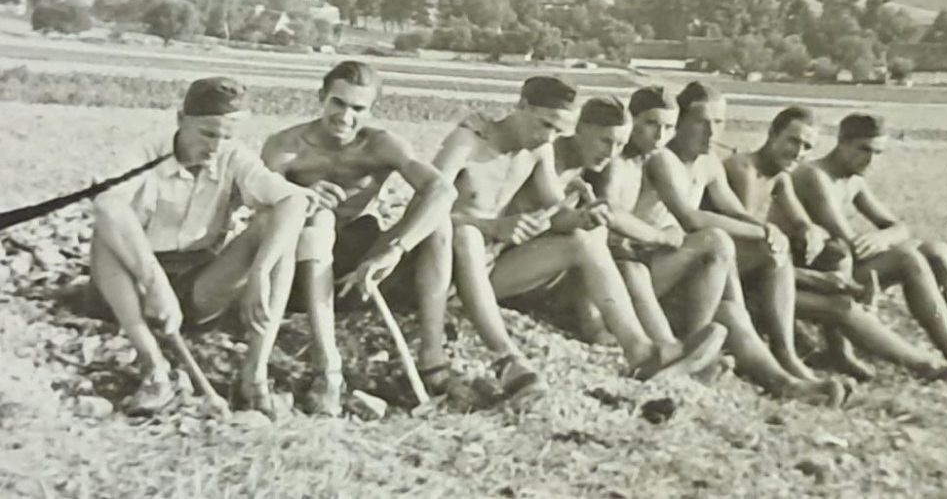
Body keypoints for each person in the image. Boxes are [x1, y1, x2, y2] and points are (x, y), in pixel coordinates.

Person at [433, 77, 726, 399]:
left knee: (586, 240)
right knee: (470, 235)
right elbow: (426, 212)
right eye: (544, 124)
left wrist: (582, 218)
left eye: (558, 130)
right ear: (522, 107)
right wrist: (492, 227)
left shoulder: (539, 151)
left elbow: (555, 212)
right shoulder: (473, 143)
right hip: (453, 266)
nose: (548, 136)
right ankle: (553, 342)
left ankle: (641, 351)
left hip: (496, 266)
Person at [90, 77, 310, 418]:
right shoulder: (144, 152)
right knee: (106, 226)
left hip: (200, 283)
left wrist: (260, 273)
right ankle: (155, 370)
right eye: (207, 133)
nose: (216, 147)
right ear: (181, 119)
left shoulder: (233, 156)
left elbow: (293, 200)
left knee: (278, 228)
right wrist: (154, 282)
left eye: (226, 136)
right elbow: (107, 205)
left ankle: (255, 374)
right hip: (135, 283)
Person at [724, 106, 947, 384]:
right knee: (896, 265)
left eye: (806, 146)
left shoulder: (788, 177)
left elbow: (879, 228)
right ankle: (945, 363)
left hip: (795, 273)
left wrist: (877, 237)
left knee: (936, 252)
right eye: (864, 150)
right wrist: (826, 276)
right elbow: (753, 252)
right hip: (766, 282)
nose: (799, 152)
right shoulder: (795, 174)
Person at [622, 85, 848, 404]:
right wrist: (761, 233)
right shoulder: (663, 158)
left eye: (720, 122)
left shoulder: (708, 162)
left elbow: (734, 211)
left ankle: (786, 377)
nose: (712, 131)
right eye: (702, 121)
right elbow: (691, 219)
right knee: (716, 240)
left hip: (671, 263)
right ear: (681, 120)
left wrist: (768, 231)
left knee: (735, 304)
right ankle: (696, 351)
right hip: (642, 266)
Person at [262, 61, 458, 416]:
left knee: (440, 225)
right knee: (319, 218)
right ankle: (328, 369)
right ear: (322, 97)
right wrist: (296, 195)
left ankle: (433, 356)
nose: (345, 117)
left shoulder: (380, 145)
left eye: (358, 108)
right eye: (338, 103)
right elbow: (258, 211)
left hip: (356, 261)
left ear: (371, 110)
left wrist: (395, 250)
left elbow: (441, 189)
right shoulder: (286, 147)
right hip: (298, 267)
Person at [791, 113, 947, 376]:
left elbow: (898, 226)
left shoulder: (853, 180)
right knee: (906, 258)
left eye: (878, 152)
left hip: (843, 266)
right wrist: (887, 241)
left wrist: (884, 236)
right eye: (863, 149)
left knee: (938, 251)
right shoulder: (815, 176)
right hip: (814, 277)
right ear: (841, 143)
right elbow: (847, 242)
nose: (870, 160)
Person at [508, 95, 728, 372]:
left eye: (620, 145)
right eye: (605, 141)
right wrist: (653, 236)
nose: (611, 153)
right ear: (580, 128)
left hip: (541, 269)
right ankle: (626, 343)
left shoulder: (583, 166)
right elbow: (538, 219)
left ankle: (670, 351)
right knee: (587, 239)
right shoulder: (548, 156)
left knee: (629, 266)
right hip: (508, 269)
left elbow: (559, 216)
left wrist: (580, 215)